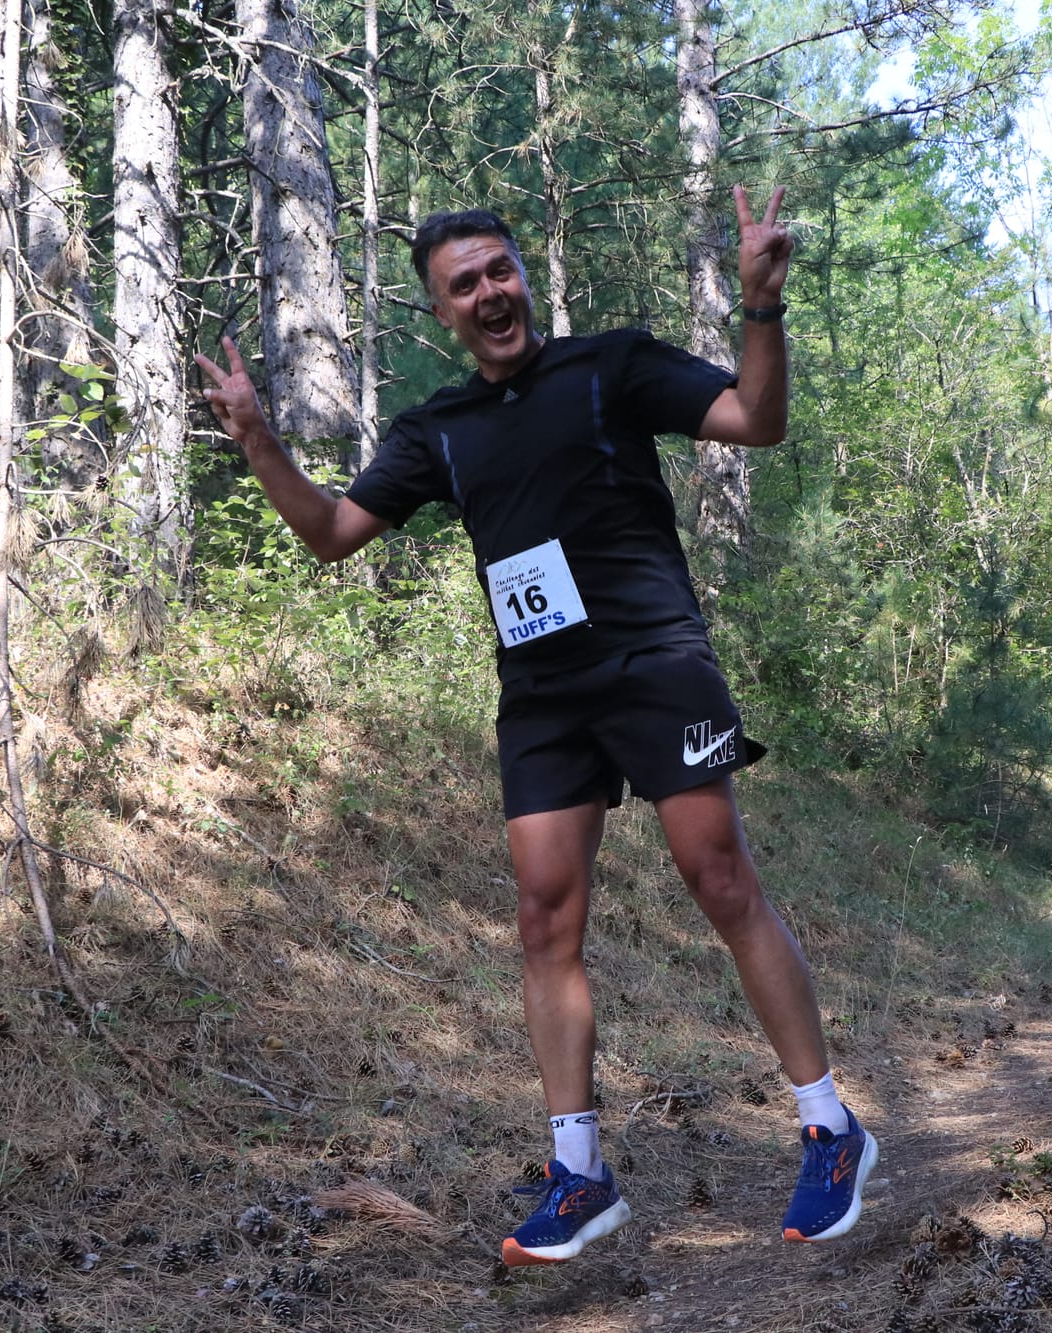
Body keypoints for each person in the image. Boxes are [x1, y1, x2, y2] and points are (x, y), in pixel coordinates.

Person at [197, 185, 877, 1266]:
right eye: (463, 285)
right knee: (542, 919)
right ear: (441, 314)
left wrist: (761, 306)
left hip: (654, 662)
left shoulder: (610, 365)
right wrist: (257, 439)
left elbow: (757, 420)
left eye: (498, 270)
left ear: (522, 276)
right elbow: (330, 532)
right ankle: (579, 1172)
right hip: (543, 693)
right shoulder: (438, 430)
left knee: (719, 877)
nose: (488, 293)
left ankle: (830, 1126)